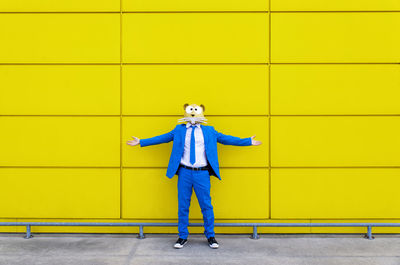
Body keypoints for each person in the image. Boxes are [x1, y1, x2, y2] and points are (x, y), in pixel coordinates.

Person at [126, 103, 262, 249]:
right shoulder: (179, 129)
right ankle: (182, 236)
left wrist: (247, 141)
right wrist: (141, 141)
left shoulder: (209, 130)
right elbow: (163, 138)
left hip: (202, 173)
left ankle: (210, 236)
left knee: (206, 205)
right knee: (183, 205)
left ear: (202, 112)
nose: (192, 113)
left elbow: (226, 139)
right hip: (184, 172)